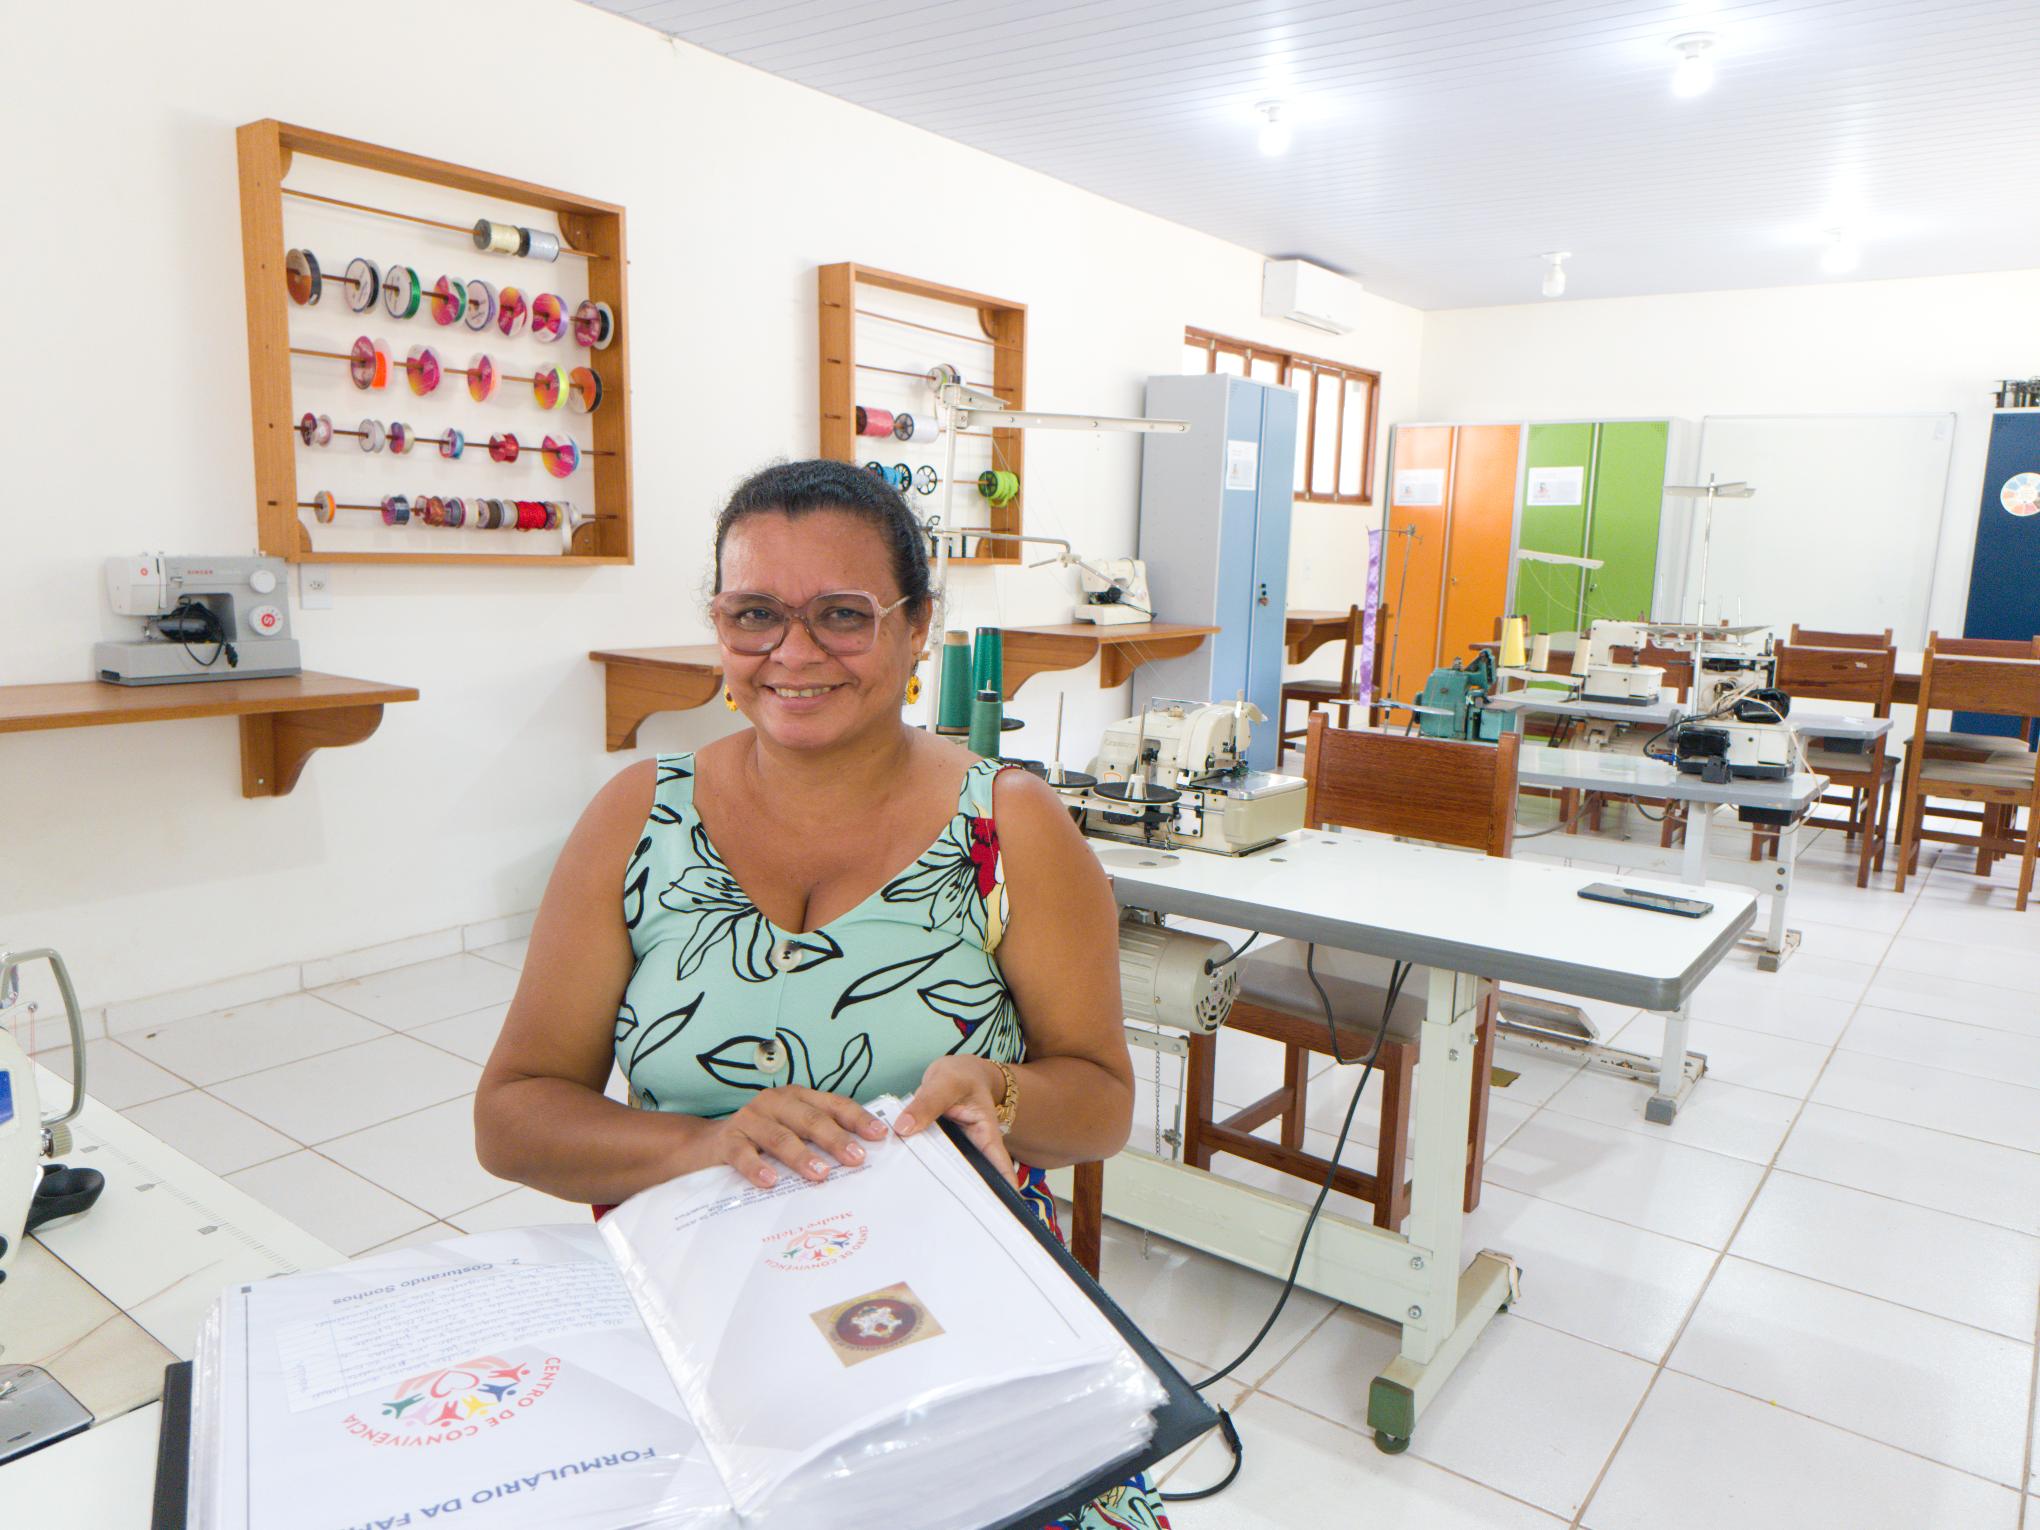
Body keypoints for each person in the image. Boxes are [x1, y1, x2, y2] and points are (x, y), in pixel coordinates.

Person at [476, 458, 1166, 1529]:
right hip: (700, 1313)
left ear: (917, 626)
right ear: (718, 625)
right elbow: (513, 1115)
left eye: (842, 615)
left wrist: (1005, 1094)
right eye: (755, 614)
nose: (792, 654)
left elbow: (1104, 1102)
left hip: (948, 1318)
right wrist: (703, 1145)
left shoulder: (1010, 829)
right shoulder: (637, 818)